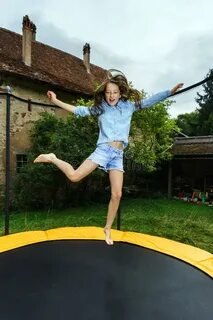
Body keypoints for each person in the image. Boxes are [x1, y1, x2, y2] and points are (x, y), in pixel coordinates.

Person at [34, 70, 183, 245]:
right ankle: (52, 158)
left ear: (120, 93)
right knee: (74, 176)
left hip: (118, 155)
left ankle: (107, 228)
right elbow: (79, 110)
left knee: (117, 194)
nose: (111, 96)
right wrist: (55, 100)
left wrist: (169, 92)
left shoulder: (129, 106)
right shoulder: (100, 108)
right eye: (108, 92)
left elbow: (149, 101)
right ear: (104, 93)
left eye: (114, 92)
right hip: (104, 150)